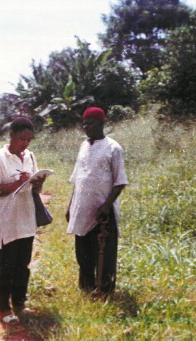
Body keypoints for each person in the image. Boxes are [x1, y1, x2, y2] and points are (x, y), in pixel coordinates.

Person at [0, 116, 46, 324]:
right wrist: (15, 183)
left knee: (23, 265)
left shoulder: (29, 156)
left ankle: (19, 304)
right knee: (6, 268)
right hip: (8, 221)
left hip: (26, 219)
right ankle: (3, 309)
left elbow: (36, 189)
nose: (25, 143)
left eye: (29, 139)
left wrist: (38, 182)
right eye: (22, 138)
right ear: (11, 135)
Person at [66, 106, 128, 296]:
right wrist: (71, 205)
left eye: (90, 123)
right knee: (83, 252)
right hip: (82, 209)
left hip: (102, 212)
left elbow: (120, 182)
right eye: (84, 124)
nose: (86, 127)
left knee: (105, 253)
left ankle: (105, 289)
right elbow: (77, 179)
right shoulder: (83, 146)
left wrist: (106, 206)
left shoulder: (113, 148)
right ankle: (86, 287)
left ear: (101, 123)